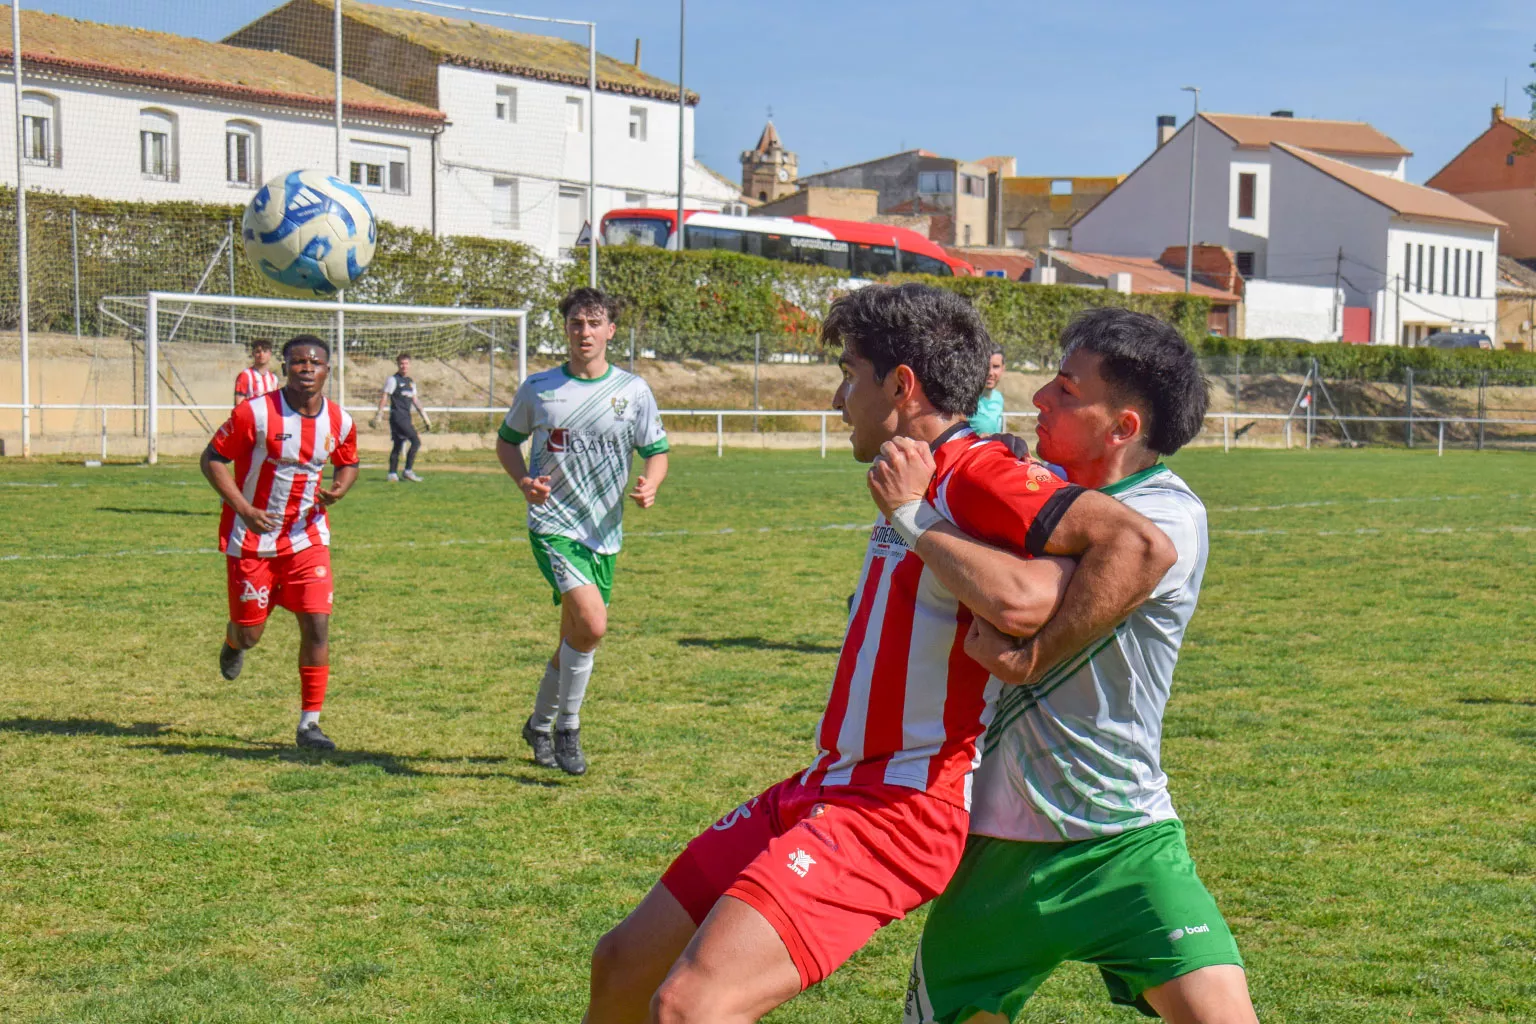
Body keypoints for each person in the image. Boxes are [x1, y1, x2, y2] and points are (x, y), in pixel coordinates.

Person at [584, 283, 1176, 1024]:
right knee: (624, 963)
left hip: (896, 806)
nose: (839, 396)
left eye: (850, 371)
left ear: (901, 384)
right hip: (826, 783)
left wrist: (1030, 653)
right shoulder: (924, 472)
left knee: (691, 1006)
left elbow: (1136, 544)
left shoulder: (973, 472)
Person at [905, 308, 1258, 1024]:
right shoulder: (1042, 496)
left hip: (1125, 840)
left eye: (1067, 390)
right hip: (996, 850)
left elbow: (1022, 601)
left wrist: (920, 518)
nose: (1040, 399)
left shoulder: (1165, 518)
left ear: (1123, 427)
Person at [496, 287, 670, 777]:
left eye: (595, 323)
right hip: (553, 525)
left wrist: (651, 484)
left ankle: (538, 723)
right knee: (592, 625)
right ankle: (568, 728)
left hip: (604, 531)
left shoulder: (632, 392)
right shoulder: (540, 388)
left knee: (574, 634)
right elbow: (507, 443)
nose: (585, 331)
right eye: (576, 323)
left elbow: (656, 450)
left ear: (610, 331)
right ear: (566, 329)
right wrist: (523, 481)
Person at [201, 335, 359, 752]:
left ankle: (310, 724)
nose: (307, 368)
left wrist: (340, 489)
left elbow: (349, 461)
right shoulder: (254, 412)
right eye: (298, 361)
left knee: (318, 624)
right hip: (252, 539)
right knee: (251, 634)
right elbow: (212, 459)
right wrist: (244, 508)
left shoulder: (340, 420)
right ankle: (235, 641)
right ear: (286, 367)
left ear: (328, 369)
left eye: (316, 362)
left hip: (307, 537)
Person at [374, 353, 432, 482]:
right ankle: (408, 471)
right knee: (416, 441)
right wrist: (379, 414)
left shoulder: (410, 382)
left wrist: (425, 417)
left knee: (398, 445)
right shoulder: (393, 380)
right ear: (398, 365)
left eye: (406, 363)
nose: (403, 366)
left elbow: (416, 401)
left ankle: (392, 473)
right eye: (401, 363)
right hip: (397, 417)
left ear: (409, 365)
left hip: (406, 417)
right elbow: (385, 396)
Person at [967, 344, 1005, 434]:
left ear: (1003, 368)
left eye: (995, 366)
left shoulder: (998, 398)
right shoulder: (965, 401)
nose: (990, 372)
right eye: (985, 366)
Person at [233, 339, 279, 406]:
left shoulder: (274, 379)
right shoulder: (245, 375)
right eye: (258, 352)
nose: (261, 354)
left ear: (270, 354)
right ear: (253, 354)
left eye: (265, 351)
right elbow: (239, 404)